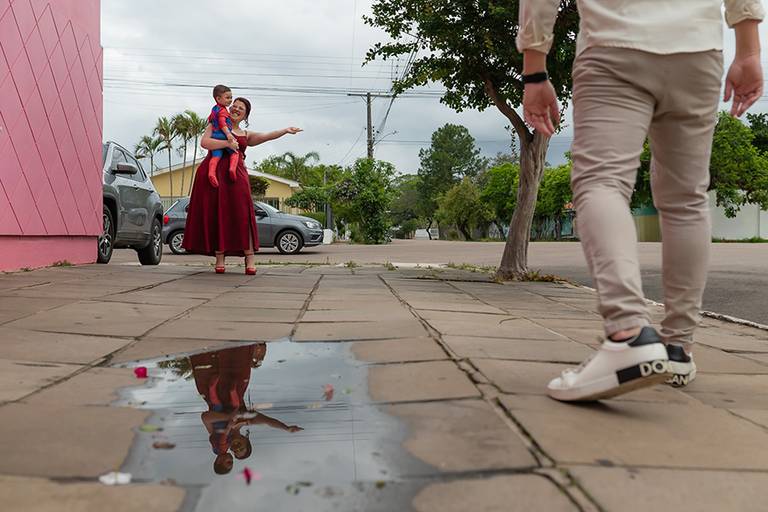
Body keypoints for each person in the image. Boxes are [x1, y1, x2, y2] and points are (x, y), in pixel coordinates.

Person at [518, 1, 764, 401]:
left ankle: (628, 333)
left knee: (601, 182)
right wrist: (749, 50)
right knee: (687, 198)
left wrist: (535, 69)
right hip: (697, 51)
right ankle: (677, 347)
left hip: (614, 44)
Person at [182, 96, 302, 274]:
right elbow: (205, 142)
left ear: (245, 116)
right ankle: (220, 258)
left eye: (241, 108)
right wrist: (228, 143)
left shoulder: (246, 134)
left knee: (242, 215)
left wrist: (285, 130)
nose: (236, 109)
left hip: (236, 177)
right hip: (212, 175)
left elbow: (266, 136)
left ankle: (250, 258)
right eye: (234, 106)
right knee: (218, 215)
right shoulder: (215, 125)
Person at [206, 85, 239, 189]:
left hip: (214, 136)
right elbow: (222, 123)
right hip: (223, 135)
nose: (230, 100)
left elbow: (210, 119)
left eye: (231, 97)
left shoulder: (214, 109)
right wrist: (228, 135)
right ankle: (232, 169)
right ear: (218, 98)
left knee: (215, 157)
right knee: (235, 153)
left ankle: (211, 173)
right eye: (227, 97)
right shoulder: (223, 111)